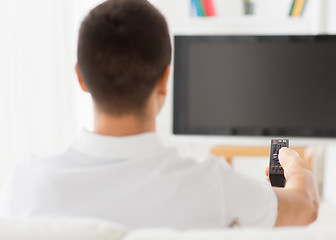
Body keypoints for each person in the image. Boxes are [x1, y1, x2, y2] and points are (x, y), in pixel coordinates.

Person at [0, 0, 319, 229]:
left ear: (81, 78)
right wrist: (297, 168)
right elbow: (305, 210)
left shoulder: (28, 184)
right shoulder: (213, 185)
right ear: (165, 80)